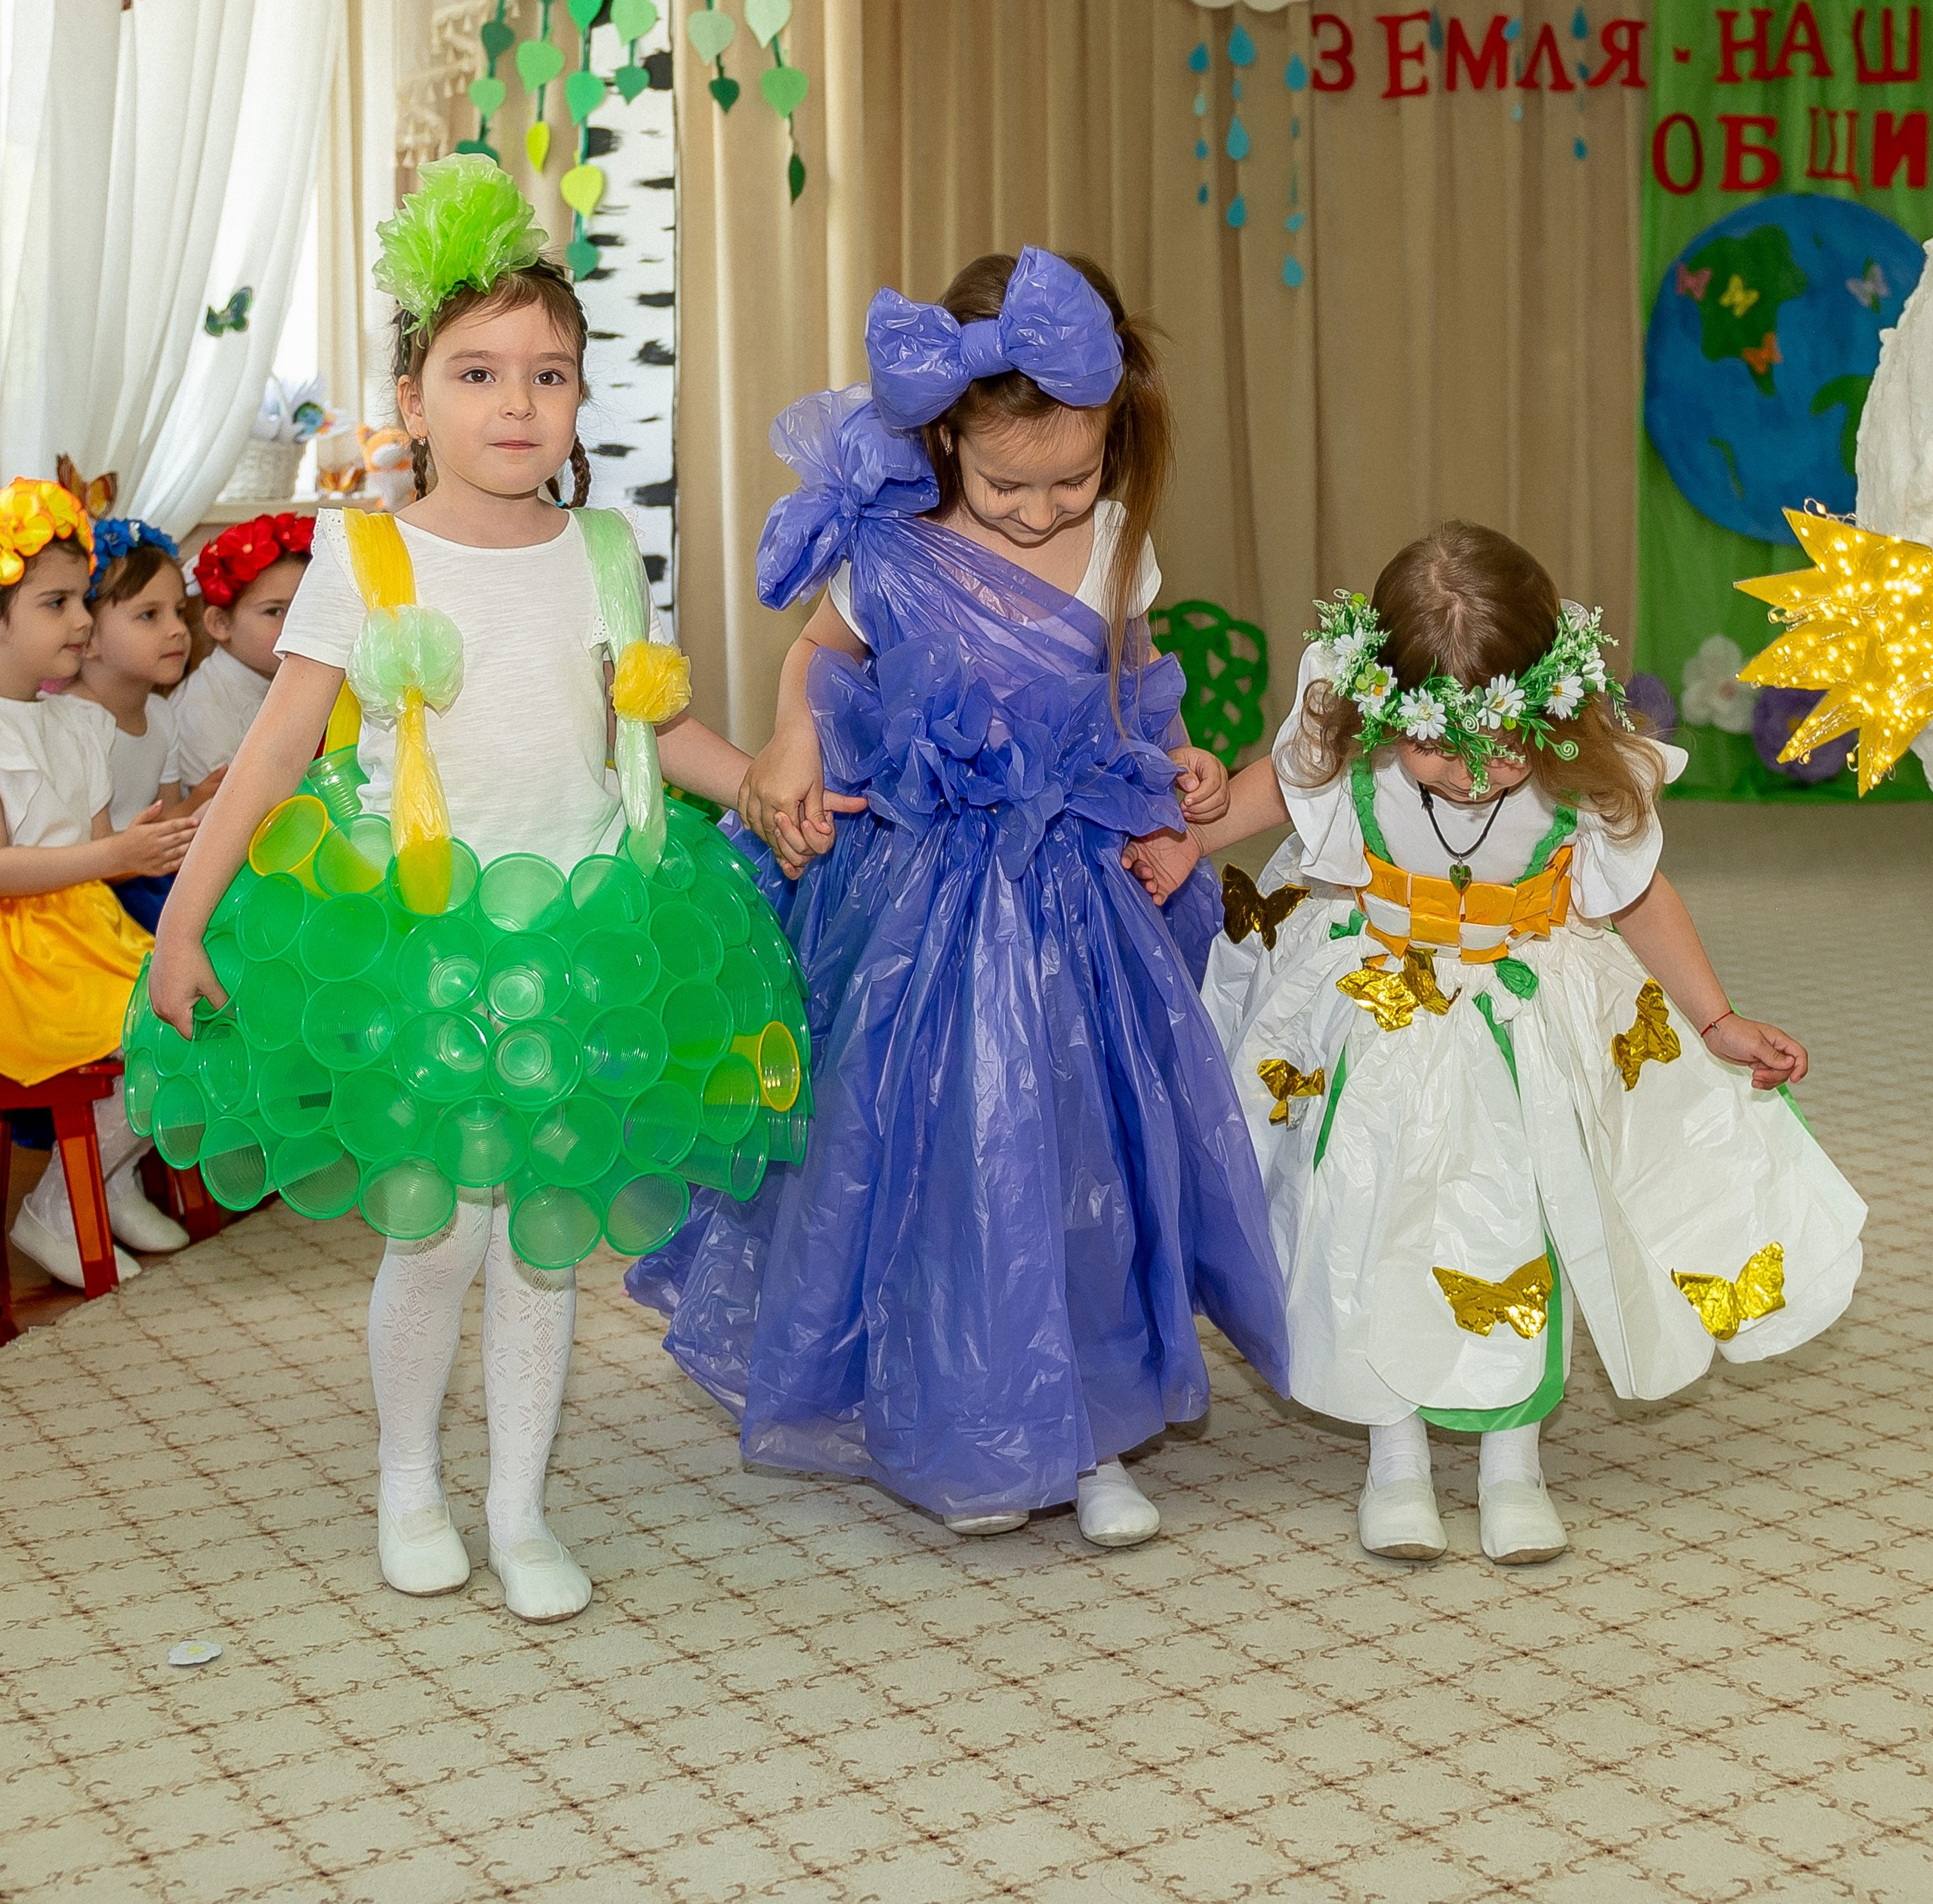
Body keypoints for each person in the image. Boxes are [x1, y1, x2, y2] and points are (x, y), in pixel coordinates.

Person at [146, 157, 779, 1624]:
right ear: (414, 397)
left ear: (576, 398)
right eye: (478, 371)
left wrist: (755, 782)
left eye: (547, 374)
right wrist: (183, 918)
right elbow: (274, 747)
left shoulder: (607, 552)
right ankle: (410, 1477)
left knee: (541, 1239)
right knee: (437, 1228)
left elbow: (651, 722)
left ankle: (519, 1505)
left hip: (582, 943)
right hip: (422, 949)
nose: (516, 403)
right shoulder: (363, 554)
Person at [637, 248, 1291, 1548]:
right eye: (1010, 482)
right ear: (943, 436)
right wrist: (789, 746)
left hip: (1071, 908)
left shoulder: (1114, 540)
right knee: (938, 1161)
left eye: (1075, 475)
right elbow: (815, 664)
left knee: (1077, 1159)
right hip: (921, 905)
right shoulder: (887, 543)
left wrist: (1180, 765)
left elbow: (1132, 678)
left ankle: (1091, 1426)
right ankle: (971, 1420)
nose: (1047, 508)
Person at [1133, 521, 1865, 1567]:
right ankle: (1395, 1459)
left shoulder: (1576, 777)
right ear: (1389, 708)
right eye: (1439, 747)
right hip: (1377, 1008)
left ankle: (1511, 1462)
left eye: (1500, 748)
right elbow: (1276, 784)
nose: (1475, 779)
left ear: (1552, 707)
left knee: (1523, 1219)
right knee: (1368, 1213)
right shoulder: (1357, 740)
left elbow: (1641, 899)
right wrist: (1189, 836)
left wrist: (1715, 1017)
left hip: (1520, 1023)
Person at [0, 481, 200, 1287]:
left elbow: (93, 848)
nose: (82, 621)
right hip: (20, 953)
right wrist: (117, 857)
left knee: (198, 1006)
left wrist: (143, 845)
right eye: (56, 602)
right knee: (146, 1027)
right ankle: (59, 1201)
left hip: (83, 925)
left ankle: (90, 1185)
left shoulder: (77, 723)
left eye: (83, 599)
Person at [63, 519, 209, 935]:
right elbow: (92, 853)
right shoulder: (75, 720)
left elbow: (166, 815)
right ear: (87, 639)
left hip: (150, 873)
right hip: (99, 892)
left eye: (179, 612)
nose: (179, 630)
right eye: (149, 615)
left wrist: (200, 803)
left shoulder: (161, 715)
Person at [171, 514, 313, 790]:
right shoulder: (202, 712)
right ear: (220, 624)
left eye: (306, 607)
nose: (297, 624)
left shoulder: (290, 677)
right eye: (275, 611)